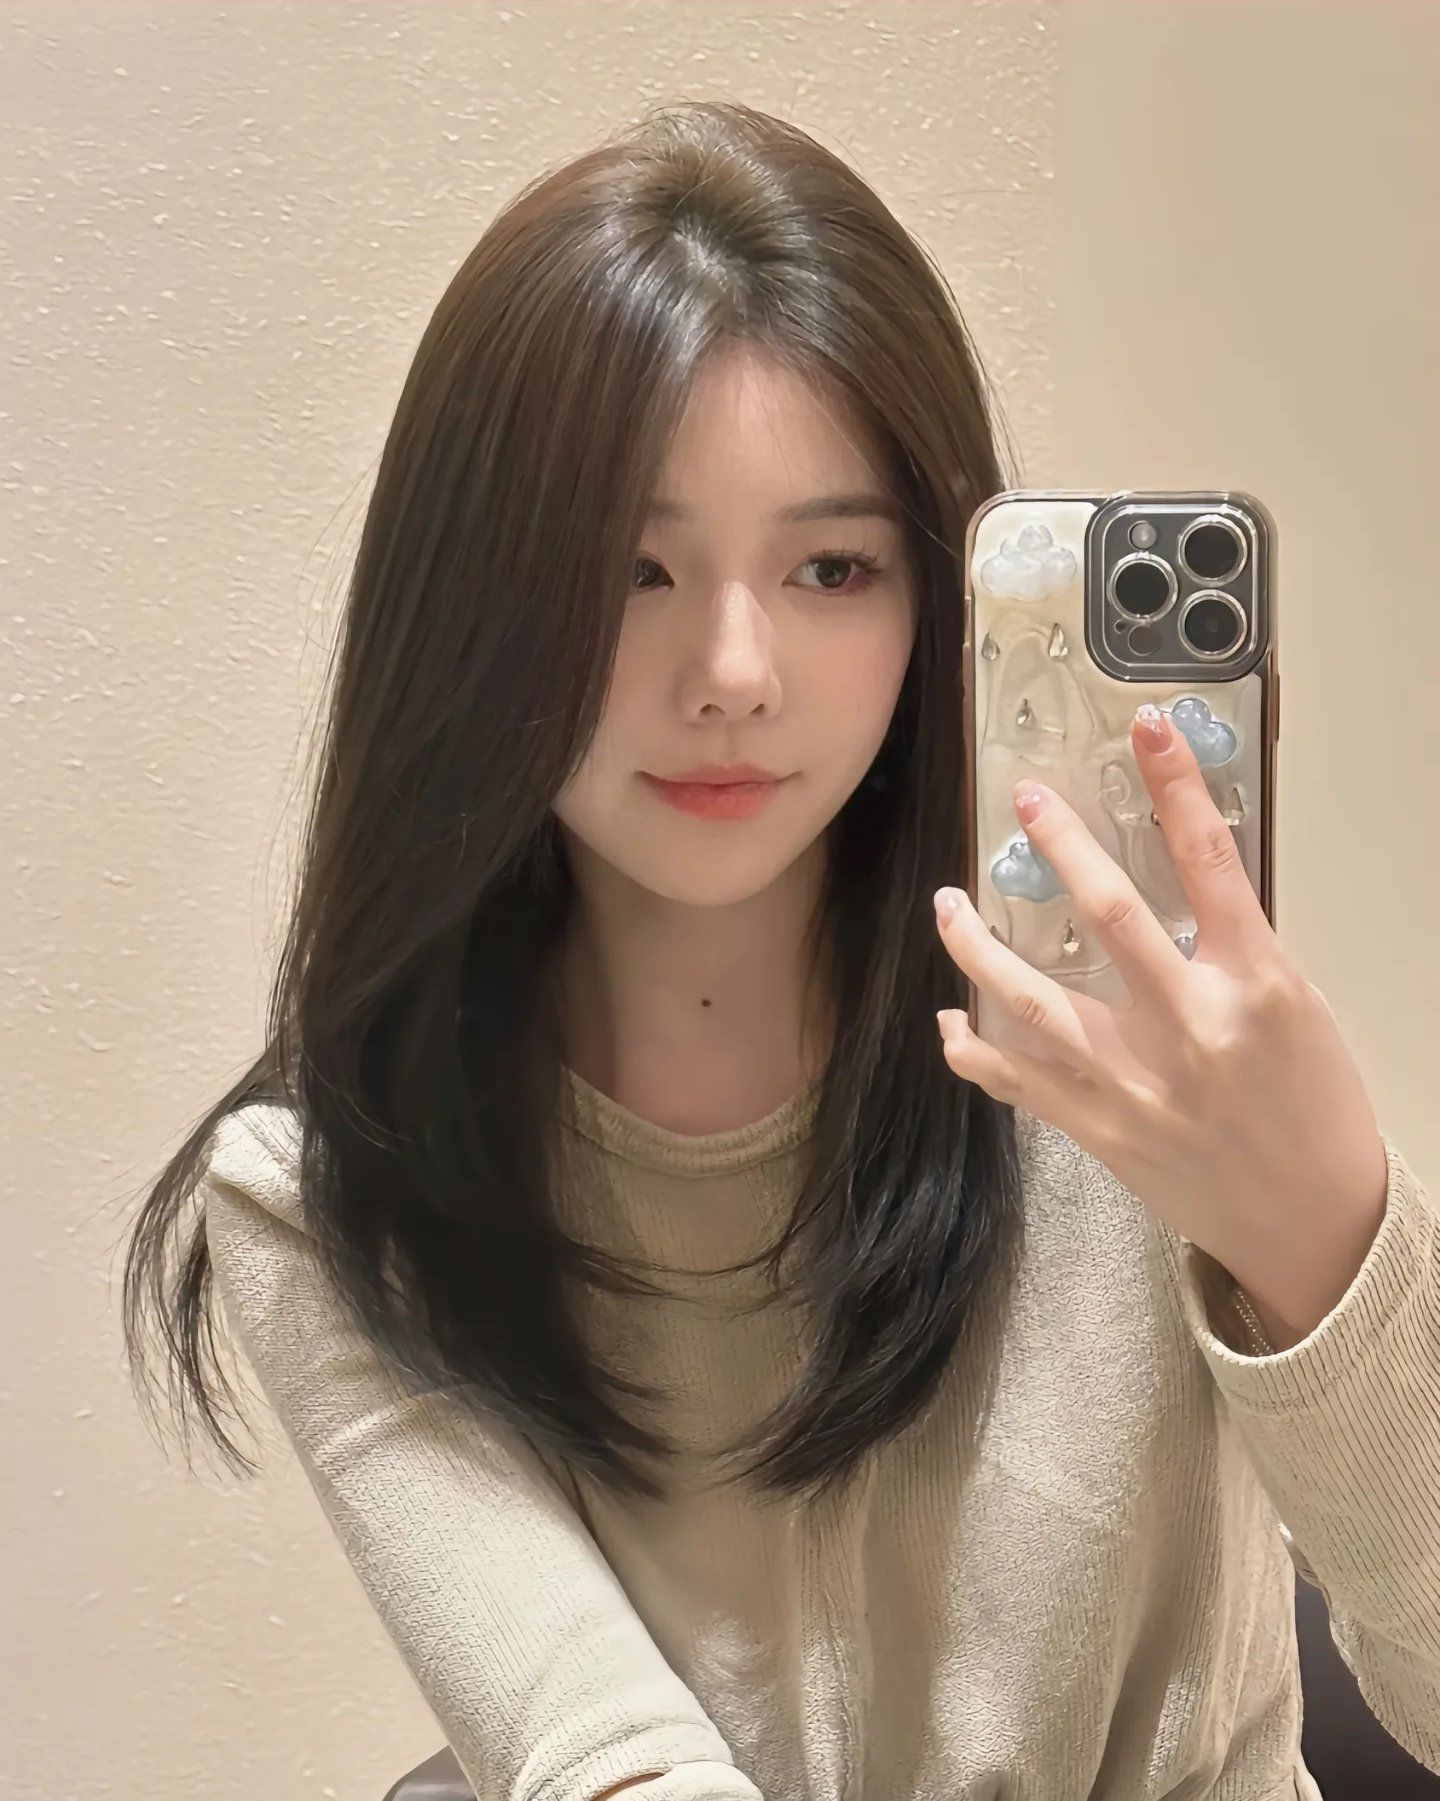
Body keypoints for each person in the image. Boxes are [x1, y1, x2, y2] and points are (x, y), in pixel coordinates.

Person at [120, 100, 1440, 1800]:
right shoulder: (336, 1196)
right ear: (472, 604)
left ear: (932, 595)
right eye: (631, 569)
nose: (734, 669)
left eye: (830, 565)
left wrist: (1331, 1244)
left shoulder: (1119, 1060)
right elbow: (604, 1755)